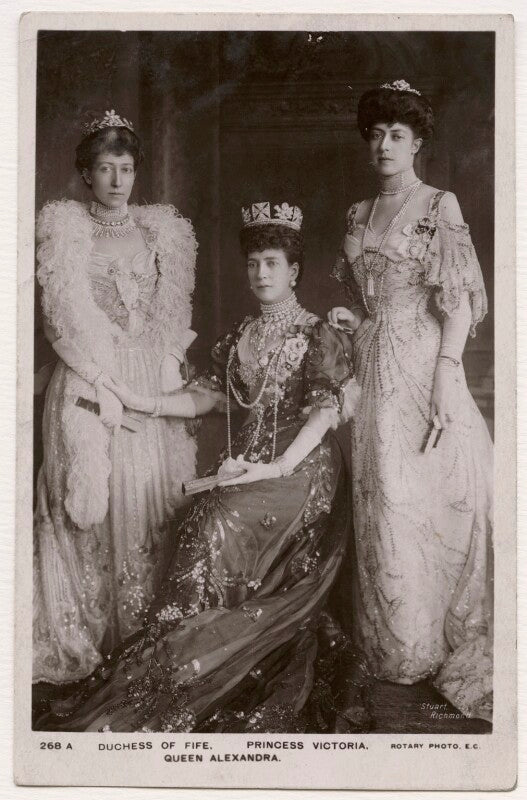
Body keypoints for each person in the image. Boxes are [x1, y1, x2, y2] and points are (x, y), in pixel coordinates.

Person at [36, 201, 370, 733]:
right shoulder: (240, 335)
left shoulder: (317, 335)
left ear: (294, 272)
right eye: (254, 263)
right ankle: (181, 652)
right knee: (198, 512)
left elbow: (327, 414)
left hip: (303, 472)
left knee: (219, 521)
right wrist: (141, 400)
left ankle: (196, 654)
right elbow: (207, 397)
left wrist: (274, 468)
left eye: (272, 264)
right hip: (248, 467)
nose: (261, 274)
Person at [329, 80, 493, 721]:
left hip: (426, 362)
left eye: (397, 135)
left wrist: (448, 375)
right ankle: (399, 644)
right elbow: (375, 298)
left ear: (418, 142)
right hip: (374, 365)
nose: (384, 145)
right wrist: (353, 315)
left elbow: (455, 302)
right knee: (381, 497)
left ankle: (430, 641)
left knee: (425, 496)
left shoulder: (439, 205)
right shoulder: (354, 215)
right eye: (375, 135)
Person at [33, 110, 198, 685]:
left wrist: (168, 364)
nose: (117, 181)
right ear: (86, 175)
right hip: (91, 375)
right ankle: (92, 634)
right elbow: (58, 325)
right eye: (105, 169)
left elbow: (173, 314)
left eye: (126, 168)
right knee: (91, 503)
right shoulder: (64, 231)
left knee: (151, 495)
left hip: (147, 377)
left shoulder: (162, 233)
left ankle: (145, 631)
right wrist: (101, 380)